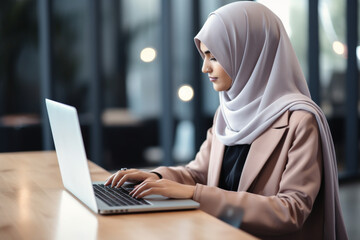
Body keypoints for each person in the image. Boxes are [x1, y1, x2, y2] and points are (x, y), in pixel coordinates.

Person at [105, 2, 348, 239]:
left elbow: (291, 211)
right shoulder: (227, 113)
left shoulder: (300, 120)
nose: (205, 68)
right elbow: (198, 173)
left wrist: (195, 194)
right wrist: (155, 178)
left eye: (214, 57)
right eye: (204, 56)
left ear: (250, 54)